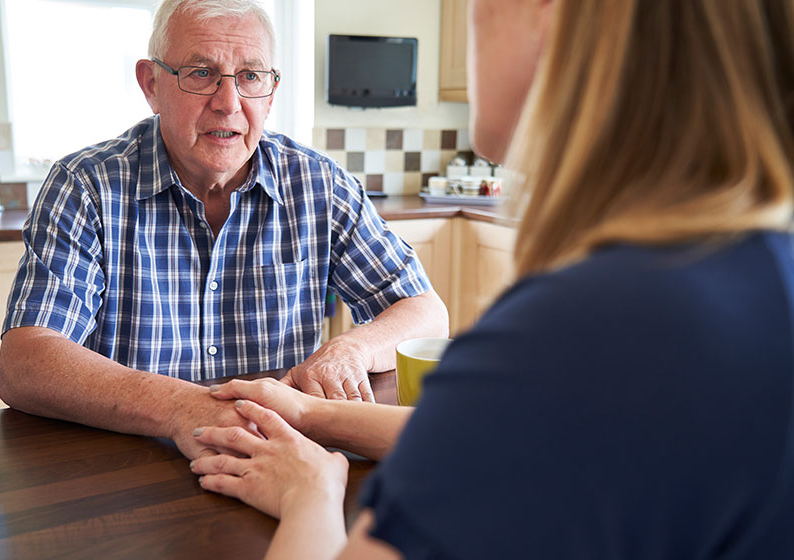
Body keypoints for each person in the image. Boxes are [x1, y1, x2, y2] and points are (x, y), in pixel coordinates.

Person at [187, 0, 794, 558]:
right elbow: (510, 434)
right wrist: (312, 417)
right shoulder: (752, 271)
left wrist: (311, 491)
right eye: (200, 73)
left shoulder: (589, 323)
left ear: (548, 19)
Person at [0, 0, 448, 461]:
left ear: (271, 94)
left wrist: (351, 349)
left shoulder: (319, 184)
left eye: (250, 77)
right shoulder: (86, 185)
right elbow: (25, 363)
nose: (228, 103)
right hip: (128, 467)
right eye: (200, 73)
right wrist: (180, 407)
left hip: (280, 459)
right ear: (151, 85)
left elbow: (424, 311)